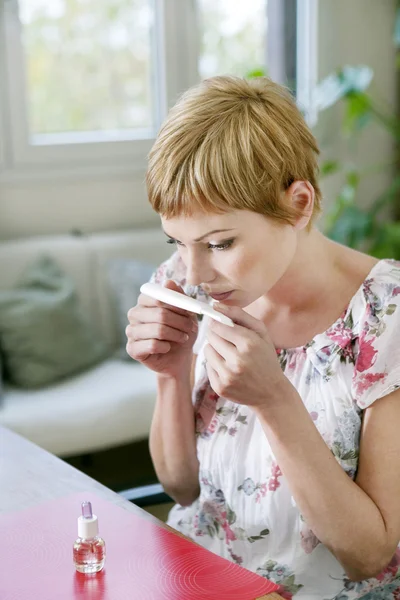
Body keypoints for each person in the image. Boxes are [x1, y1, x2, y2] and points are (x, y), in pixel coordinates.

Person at [126, 75, 400, 599]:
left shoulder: (384, 318)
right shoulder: (188, 281)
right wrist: (170, 374)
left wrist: (274, 400)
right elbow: (182, 489)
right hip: (201, 582)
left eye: (220, 242)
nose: (194, 272)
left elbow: (369, 556)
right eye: (177, 242)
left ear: (298, 204)